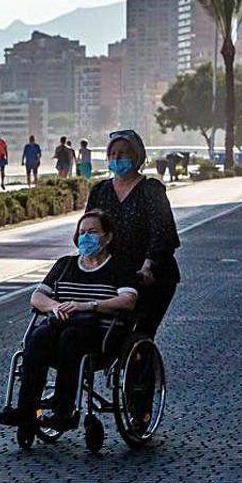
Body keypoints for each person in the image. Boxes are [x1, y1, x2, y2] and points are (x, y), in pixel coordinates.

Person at [0, 210, 140, 430]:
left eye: (92, 232)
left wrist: (87, 305)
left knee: (70, 338)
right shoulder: (65, 265)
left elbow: (128, 300)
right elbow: (37, 297)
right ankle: (25, 409)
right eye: (82, 232)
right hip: (60, 326)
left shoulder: (119, 267)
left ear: (108, 237)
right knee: (38, 337)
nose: (85, 237)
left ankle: (64, 410)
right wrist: (56, 306)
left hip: (100, 335)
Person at [86, 130, 180, 339]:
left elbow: (162, 233)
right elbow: (88, 228)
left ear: (136, 157)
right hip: (113, 274)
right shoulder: (100, 190)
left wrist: (148, 265)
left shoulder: (151, 190)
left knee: (139, 336)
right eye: (113, 154)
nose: (117, 158)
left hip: (149, 275)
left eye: (123, 153)